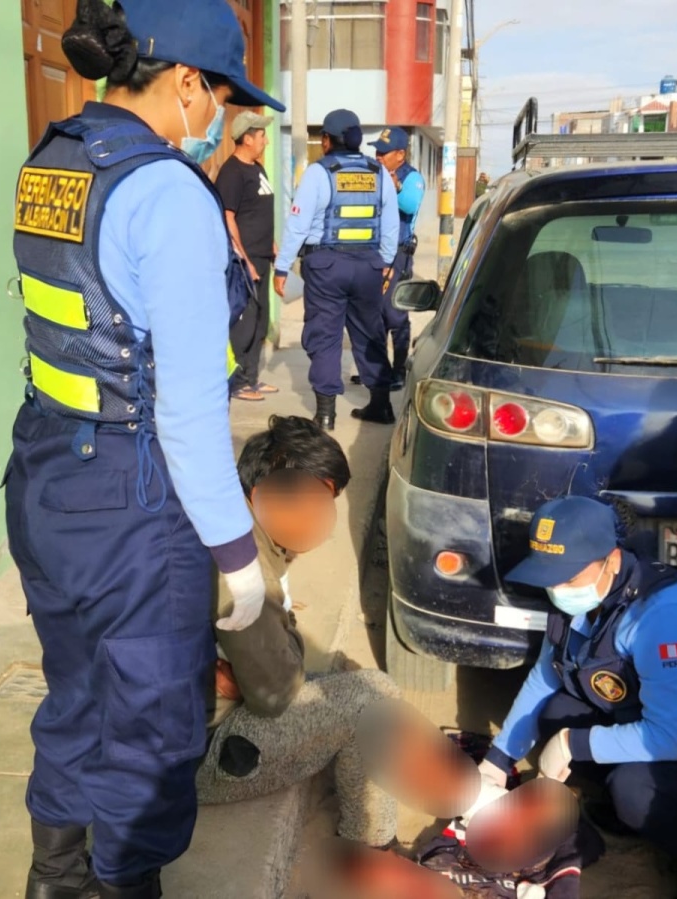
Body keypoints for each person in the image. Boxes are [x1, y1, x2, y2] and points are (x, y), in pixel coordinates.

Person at [3, 0, 285, 896]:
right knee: (155, 728)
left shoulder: (53, 160)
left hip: (46, 471)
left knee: (78, 693)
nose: (222, 119)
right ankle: (121, 882)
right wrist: (238, 558)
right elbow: (189, 413)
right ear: (186, 81)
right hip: (131, 492)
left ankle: (56, 876)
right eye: (223, 99)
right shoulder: (168, 193)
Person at [472, 497, 677, 899]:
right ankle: (633, 812)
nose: (557, 589)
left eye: (568, 577)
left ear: (612, 560)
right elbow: (546, 676)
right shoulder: (585, 596)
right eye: (549, 577)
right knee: (557, 711)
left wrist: (572, 743)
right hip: (672, 731)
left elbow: (667, 737)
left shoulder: (663, 616)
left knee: (634, 788)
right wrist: (499, 759)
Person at [197, 415, 402, 848]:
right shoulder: (246, 571)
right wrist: (276, 655)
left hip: (191, 726)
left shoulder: (232, 529)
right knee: (372, 701)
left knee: (359, 684)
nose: (317, 517)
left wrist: (256, 668)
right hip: (203, 755)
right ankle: (372, 847)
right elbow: (274, 695)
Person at [273, 109, 400, 430]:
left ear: (327, 140)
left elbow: (298, 224)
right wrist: (386, 264)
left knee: (325, 334)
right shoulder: (379, 172)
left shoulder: (318, 172)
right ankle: (381, 405)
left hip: (326, 266)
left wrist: (282, 266)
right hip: (368, 266)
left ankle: (326, 414)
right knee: (370, 332)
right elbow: (390, 224)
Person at [347, 126, 425, 391]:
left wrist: (396, 187)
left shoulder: (412, 178)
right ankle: (375, 370)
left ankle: (398, 371)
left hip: (398, 255)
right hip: (371, 252)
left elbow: (411, 205)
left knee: (395, 314)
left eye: (384, 152)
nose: (378, 156)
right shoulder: (373, 173)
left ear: (400, 155)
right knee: (372, 314)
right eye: (377, 151)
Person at [216, 110, 279, 403]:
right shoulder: (232, 173)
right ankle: (237, 383)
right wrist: (245, 260)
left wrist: (273, 245)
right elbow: (227, 218)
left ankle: (251, 378)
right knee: (245, 323)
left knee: (261, 321)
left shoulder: (257, 168)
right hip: (246, 261)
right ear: (247, 138)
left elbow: (259, 213)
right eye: (262, 135)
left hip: (262, 255)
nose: (266, 141)